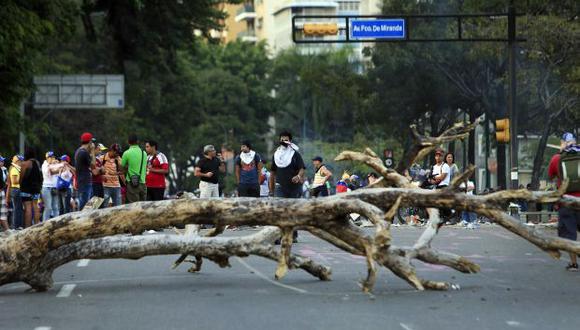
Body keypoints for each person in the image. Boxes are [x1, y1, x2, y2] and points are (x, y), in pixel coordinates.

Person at [547, 132, 580, 271]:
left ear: (562, 143)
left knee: (569, 235)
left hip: (566, 202)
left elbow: (550, 176)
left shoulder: (557, 158)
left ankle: (573, 263)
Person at [269, 131, 305, 243]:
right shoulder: (276, 155)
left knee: (292, 211)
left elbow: (302, 168)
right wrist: (271, 189)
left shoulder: (295, 154)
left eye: (286, 139)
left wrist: (298, 176)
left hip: (294, 187)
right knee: (280, 211)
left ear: (290, 141)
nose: (284, 141)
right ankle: (279, 235)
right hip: (280, 187)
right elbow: (273, 173)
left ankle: (293, 234)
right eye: (282, 139)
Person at [19, 148, 42, 228]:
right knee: (35, 206)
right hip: (36, 188)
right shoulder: (37, 163)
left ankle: (28, 228)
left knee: (28, 208)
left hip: (26, 188)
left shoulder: (25, 164)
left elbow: (21, 177)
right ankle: (36, 225)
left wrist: (20, 184)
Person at [122, 135, 148, 203]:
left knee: (133, 206)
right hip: (143, 183)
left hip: (132, 184)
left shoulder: (127, 153)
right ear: (137, 142)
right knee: (143, 206)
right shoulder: (144, 153)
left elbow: (121, 166)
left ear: (128, 142)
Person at [75, 132, 95, 209]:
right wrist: (93, 151)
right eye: (92, 142)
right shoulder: (83, 152)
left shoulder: (79, 151)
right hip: (85, 182)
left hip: (82, 181)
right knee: (85, 205)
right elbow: (93, 165)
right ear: (89, 142)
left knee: (87, 203)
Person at [41, 151, 62, 220]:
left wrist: (58, 165)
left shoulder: (55, 164)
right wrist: (55, 165)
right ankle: (44, 223)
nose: (52, 158)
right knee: (48, 207)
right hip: (46, 188)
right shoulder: (44, 165)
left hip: (54, 187)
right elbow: (50, 173)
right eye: (50, 157)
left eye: (53, 157)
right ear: (47, 158)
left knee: (55, 207)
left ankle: (57, 223)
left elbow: (60, 171)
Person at [6, 155, 24, 229]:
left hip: (15, 190)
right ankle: (15, 226)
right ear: (17, 161)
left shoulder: (15, 168)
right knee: (17, 209)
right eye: (21, 161)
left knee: (18, 208)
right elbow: (14, 181)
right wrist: (22, 179)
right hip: (15, 189)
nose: (22, 163)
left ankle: (17, 225)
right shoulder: (14, 169)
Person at [0, 156, 9, 231]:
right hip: (2, 190)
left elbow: (7, 181)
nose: (2, 162)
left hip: (2, 191)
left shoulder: (4, 170)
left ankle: (7, 230)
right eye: (1, 161)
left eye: (2, 161)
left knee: (3, 212)